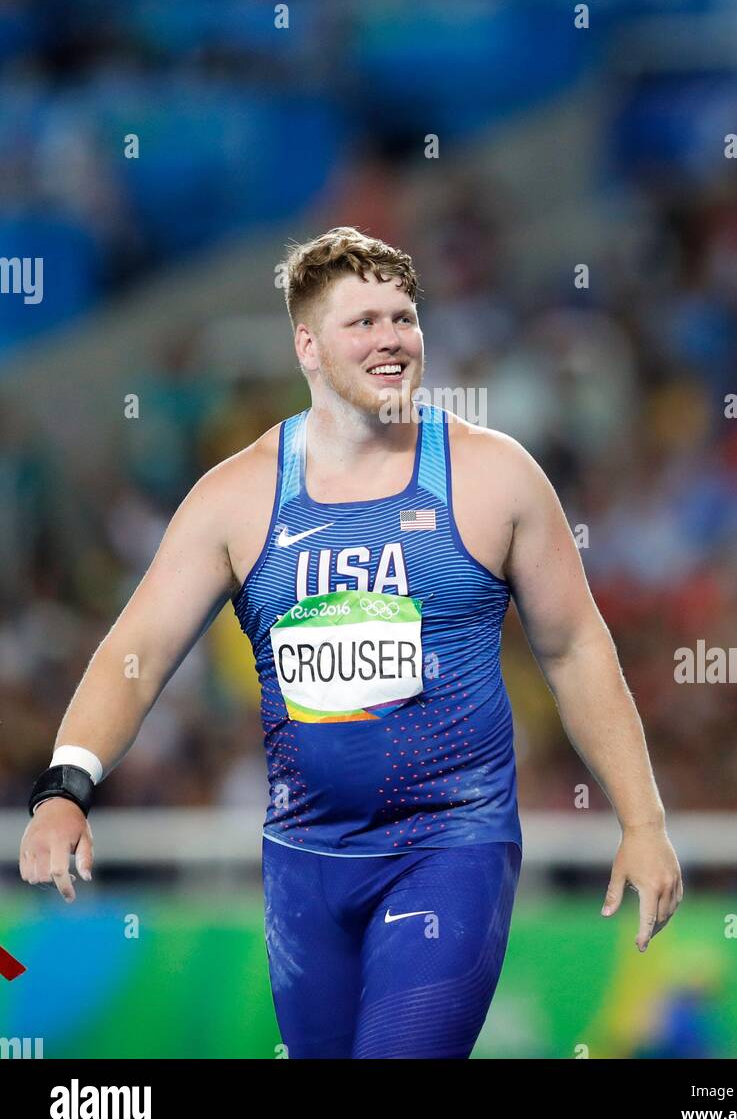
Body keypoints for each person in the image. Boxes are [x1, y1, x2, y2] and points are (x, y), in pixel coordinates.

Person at [19, 226, 682, 1060]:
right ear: (306, 345)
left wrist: (643, 819)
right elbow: (139, 650)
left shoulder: (493, 477)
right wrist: (64, 789)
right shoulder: (239, 496)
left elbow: (576, 647)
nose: (392, 340)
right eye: (362, 322)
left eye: (403, 318)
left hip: (452, 844)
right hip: (304, 860)